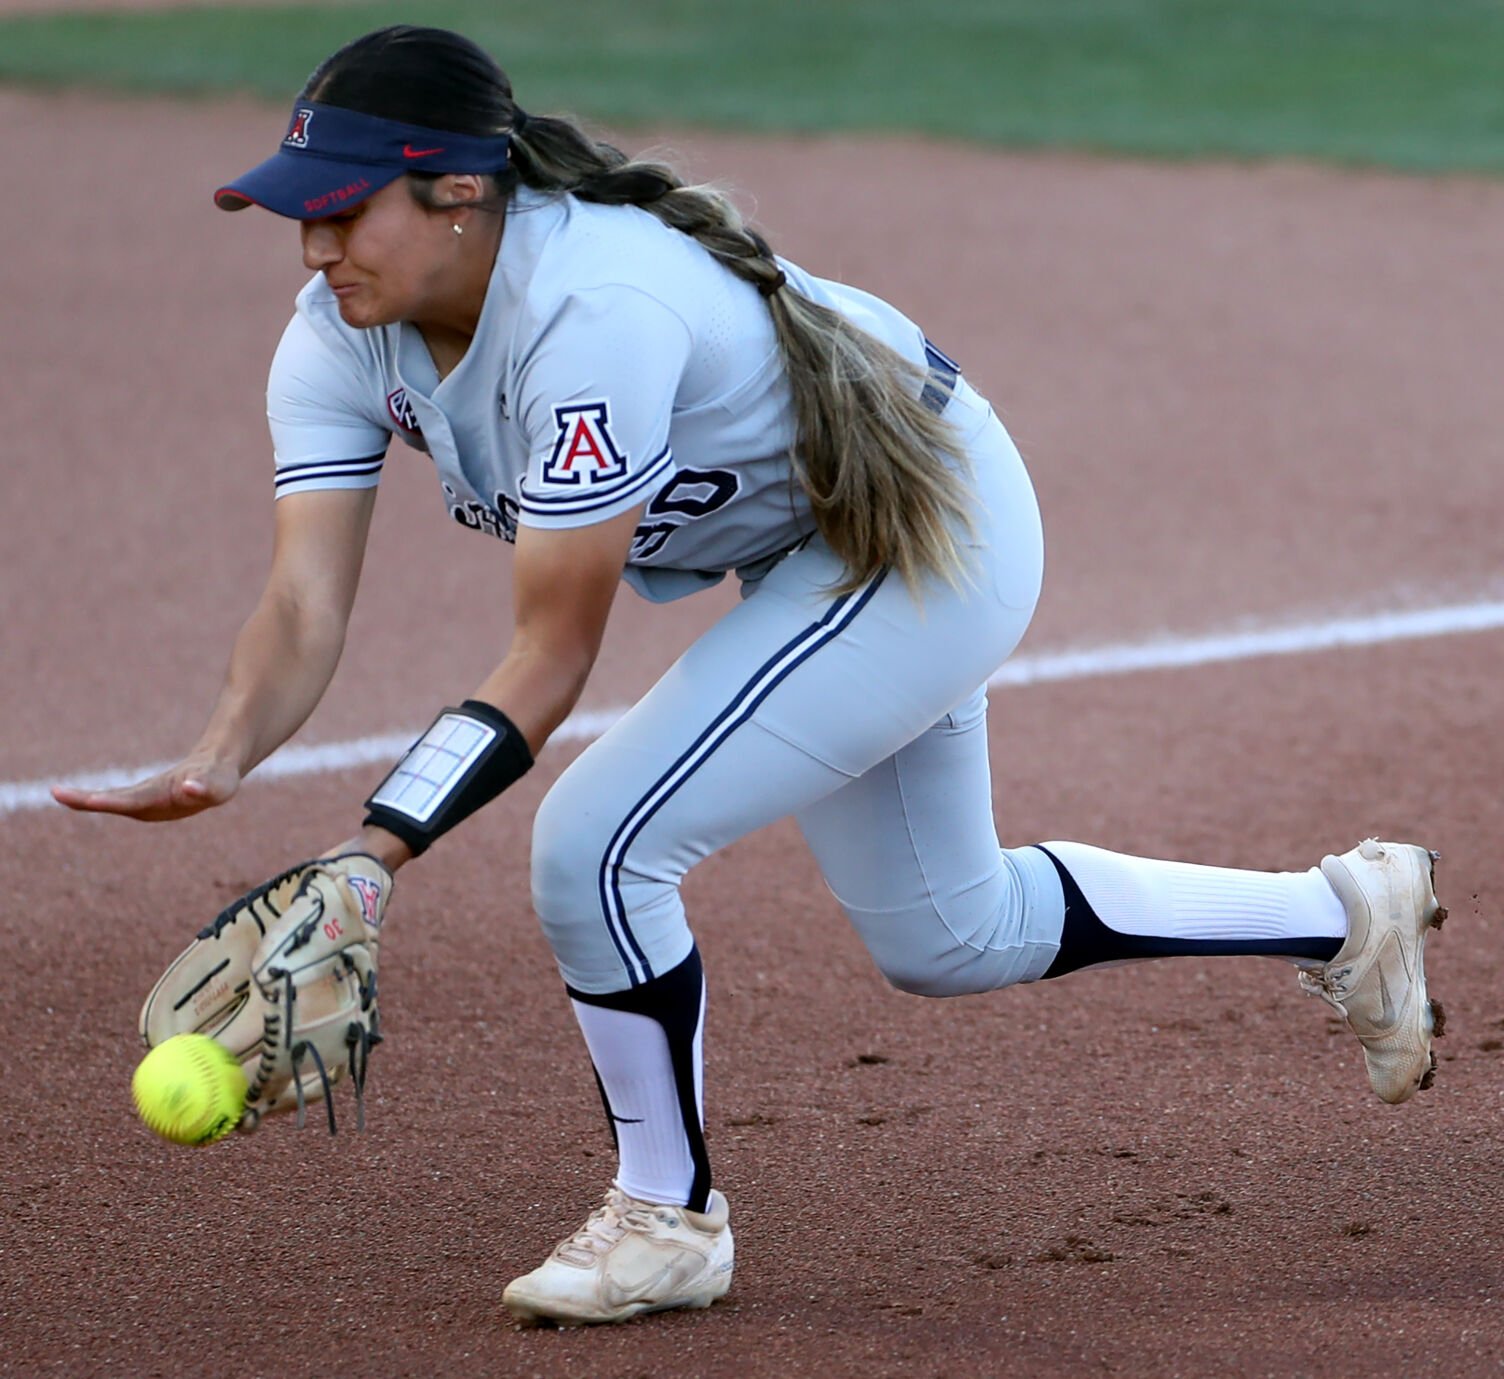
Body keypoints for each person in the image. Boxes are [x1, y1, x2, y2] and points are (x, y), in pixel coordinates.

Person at [53, 25, 1447, 1328]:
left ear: (460, 193)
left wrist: (373, 853)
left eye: (345, 208)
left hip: (924, 525)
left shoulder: (589, 314)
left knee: (593, 846)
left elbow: (550, 656)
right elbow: (304, 598)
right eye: (302, 209)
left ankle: (668, 1215)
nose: (316, 244)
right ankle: (1343, 915)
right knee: (947, 938)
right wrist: (225, 748)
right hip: (815, 548)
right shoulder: (336, 337)